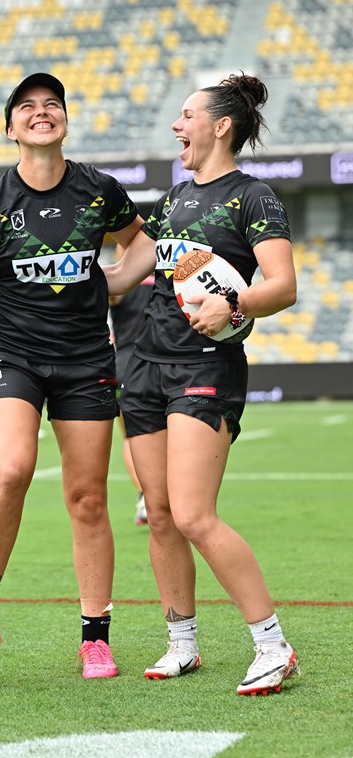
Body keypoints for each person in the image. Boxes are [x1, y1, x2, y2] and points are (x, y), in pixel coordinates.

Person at [0, 72, 143, 679]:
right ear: (11, 128)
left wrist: (111, 283)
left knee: (89, 499)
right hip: (11, 352)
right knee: (12, 468)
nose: (42, 113)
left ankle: (95, 636)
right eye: (28, 107)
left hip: (85, 358)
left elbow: (140, 245)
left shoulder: (100, 190)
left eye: (53, 105)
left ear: (65, 121)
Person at [102, 72, 300, 696]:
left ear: (220, 126)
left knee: (192, 513)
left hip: (203, 369)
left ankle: (273, 644)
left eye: (186, 115)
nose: (175, 126)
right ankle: (181, 642)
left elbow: (283, 285)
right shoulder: (171, 199)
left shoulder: (254, 197)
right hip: (144, 368)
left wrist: (235, 307)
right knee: (158, 513)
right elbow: (128, 272)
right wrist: (60, 280)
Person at [108, 245, 154, 525]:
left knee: (129, 437)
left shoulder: (118, 280)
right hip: (159, 361)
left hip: (124, 363)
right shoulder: (167, 276)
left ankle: (144, 498)